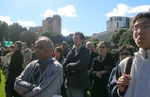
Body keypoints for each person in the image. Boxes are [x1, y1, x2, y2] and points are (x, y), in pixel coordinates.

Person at [110, 11, 150, 97]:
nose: (139, 32)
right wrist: (120, 90)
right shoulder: (125, 64)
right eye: (135, 28)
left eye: (145, 26)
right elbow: (112, 92)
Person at [63, 31, 91, 97]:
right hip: (69, 83)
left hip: (79, 84)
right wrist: (71, 70)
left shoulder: (85, 51)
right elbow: (64, 66)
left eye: (77, 38)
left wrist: (69, 66)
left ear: (82, 40)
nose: (74, 40)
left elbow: (80, 65)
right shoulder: (70, 52)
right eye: (74, 38)